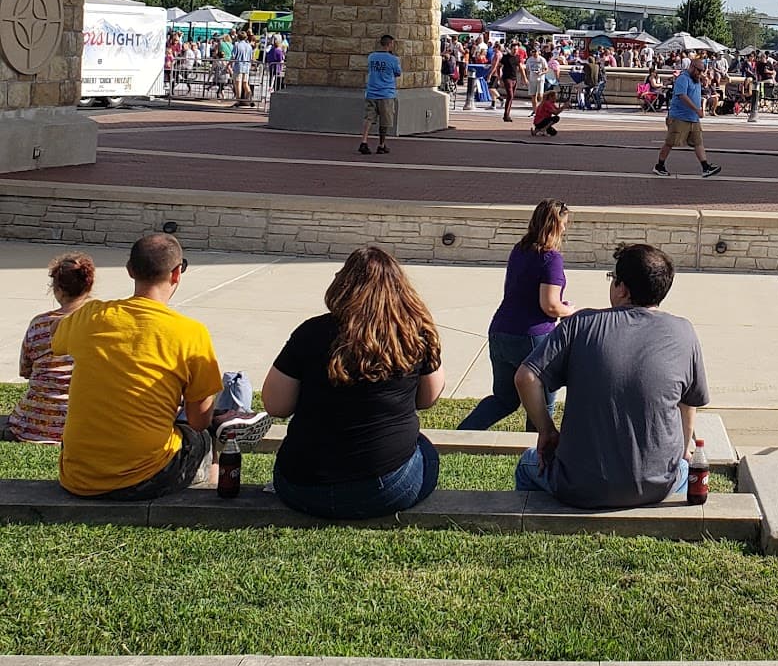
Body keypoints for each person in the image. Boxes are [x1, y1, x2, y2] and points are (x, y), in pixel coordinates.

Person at [51, 234, 269, 499]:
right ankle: (212, 487)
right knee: (203, 437)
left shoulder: (89, 315)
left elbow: (57, 342)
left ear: (130, 270)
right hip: (144, 477)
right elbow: (199, 421)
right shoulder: (190, 333)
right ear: (177, 274)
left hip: (78, 477)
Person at [513, 242, 708, 509]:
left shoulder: (579, 325)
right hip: (659, 485)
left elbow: (525, 377)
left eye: (613, 278)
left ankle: (532, 523)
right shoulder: (684, 332)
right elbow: (689, 402)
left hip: (578, 485)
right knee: (683, 470)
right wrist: (684, 449)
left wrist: (546, 430)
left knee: (527, 464)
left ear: (623, 288)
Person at [264, 246, 445, 519]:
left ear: (343, 284)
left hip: (301, 487)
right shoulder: (414, 334)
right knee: (426, 451)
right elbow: (428, 398)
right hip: (386, 488)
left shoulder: (310, 332)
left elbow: (275, 405)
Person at [459, 201, 576, 431]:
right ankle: (536, 457)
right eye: (563, 224)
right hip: (532, 338)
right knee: (541, 405)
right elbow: (550, 306)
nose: (565, 229)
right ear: (554, 225)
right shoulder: (551, 258)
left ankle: (460, 438)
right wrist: (569, 310)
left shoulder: (520, 250)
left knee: (504, 399)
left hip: (500, 331)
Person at [1, 252, 96, 444]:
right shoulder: (99, 323)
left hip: (31, 424)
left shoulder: (40, 324)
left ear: (57, 289)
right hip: (83, 425)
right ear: (89, 285)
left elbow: (26, 370)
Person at [653, 55, 721, 177]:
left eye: (702, 70)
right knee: (670, 142)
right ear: (691, 67)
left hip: (692, 118)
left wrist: (700, 107)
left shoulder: (697, 80)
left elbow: (696, 95)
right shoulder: (683, 79)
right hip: (679, 117)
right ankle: (659, 165)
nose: (700, 73)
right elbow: (682, 96)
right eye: (699, 70)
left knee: (698, 142)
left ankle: (706, 167)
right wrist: (697, 109)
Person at [358, 33, 401, 156]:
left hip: (371, 92)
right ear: (390, 44)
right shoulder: (393, 59)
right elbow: (398, 73)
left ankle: (364, 141)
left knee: (368, 118)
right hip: (386, 93)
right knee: (385, 121)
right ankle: (381, 145)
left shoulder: (371, 57)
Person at [498, 40, 526, 123]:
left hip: (514, 79)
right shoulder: (505, 57)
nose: (515, 51)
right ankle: (506, 115)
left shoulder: (517, 57)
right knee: (510, 95)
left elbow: (521, 68)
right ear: (510, 49)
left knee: (511, 97)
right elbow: (498, 67)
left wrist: (524, 78)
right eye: (514, 49)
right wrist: (500, 78)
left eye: (517, 49)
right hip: (507, 78)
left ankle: (507, 114)